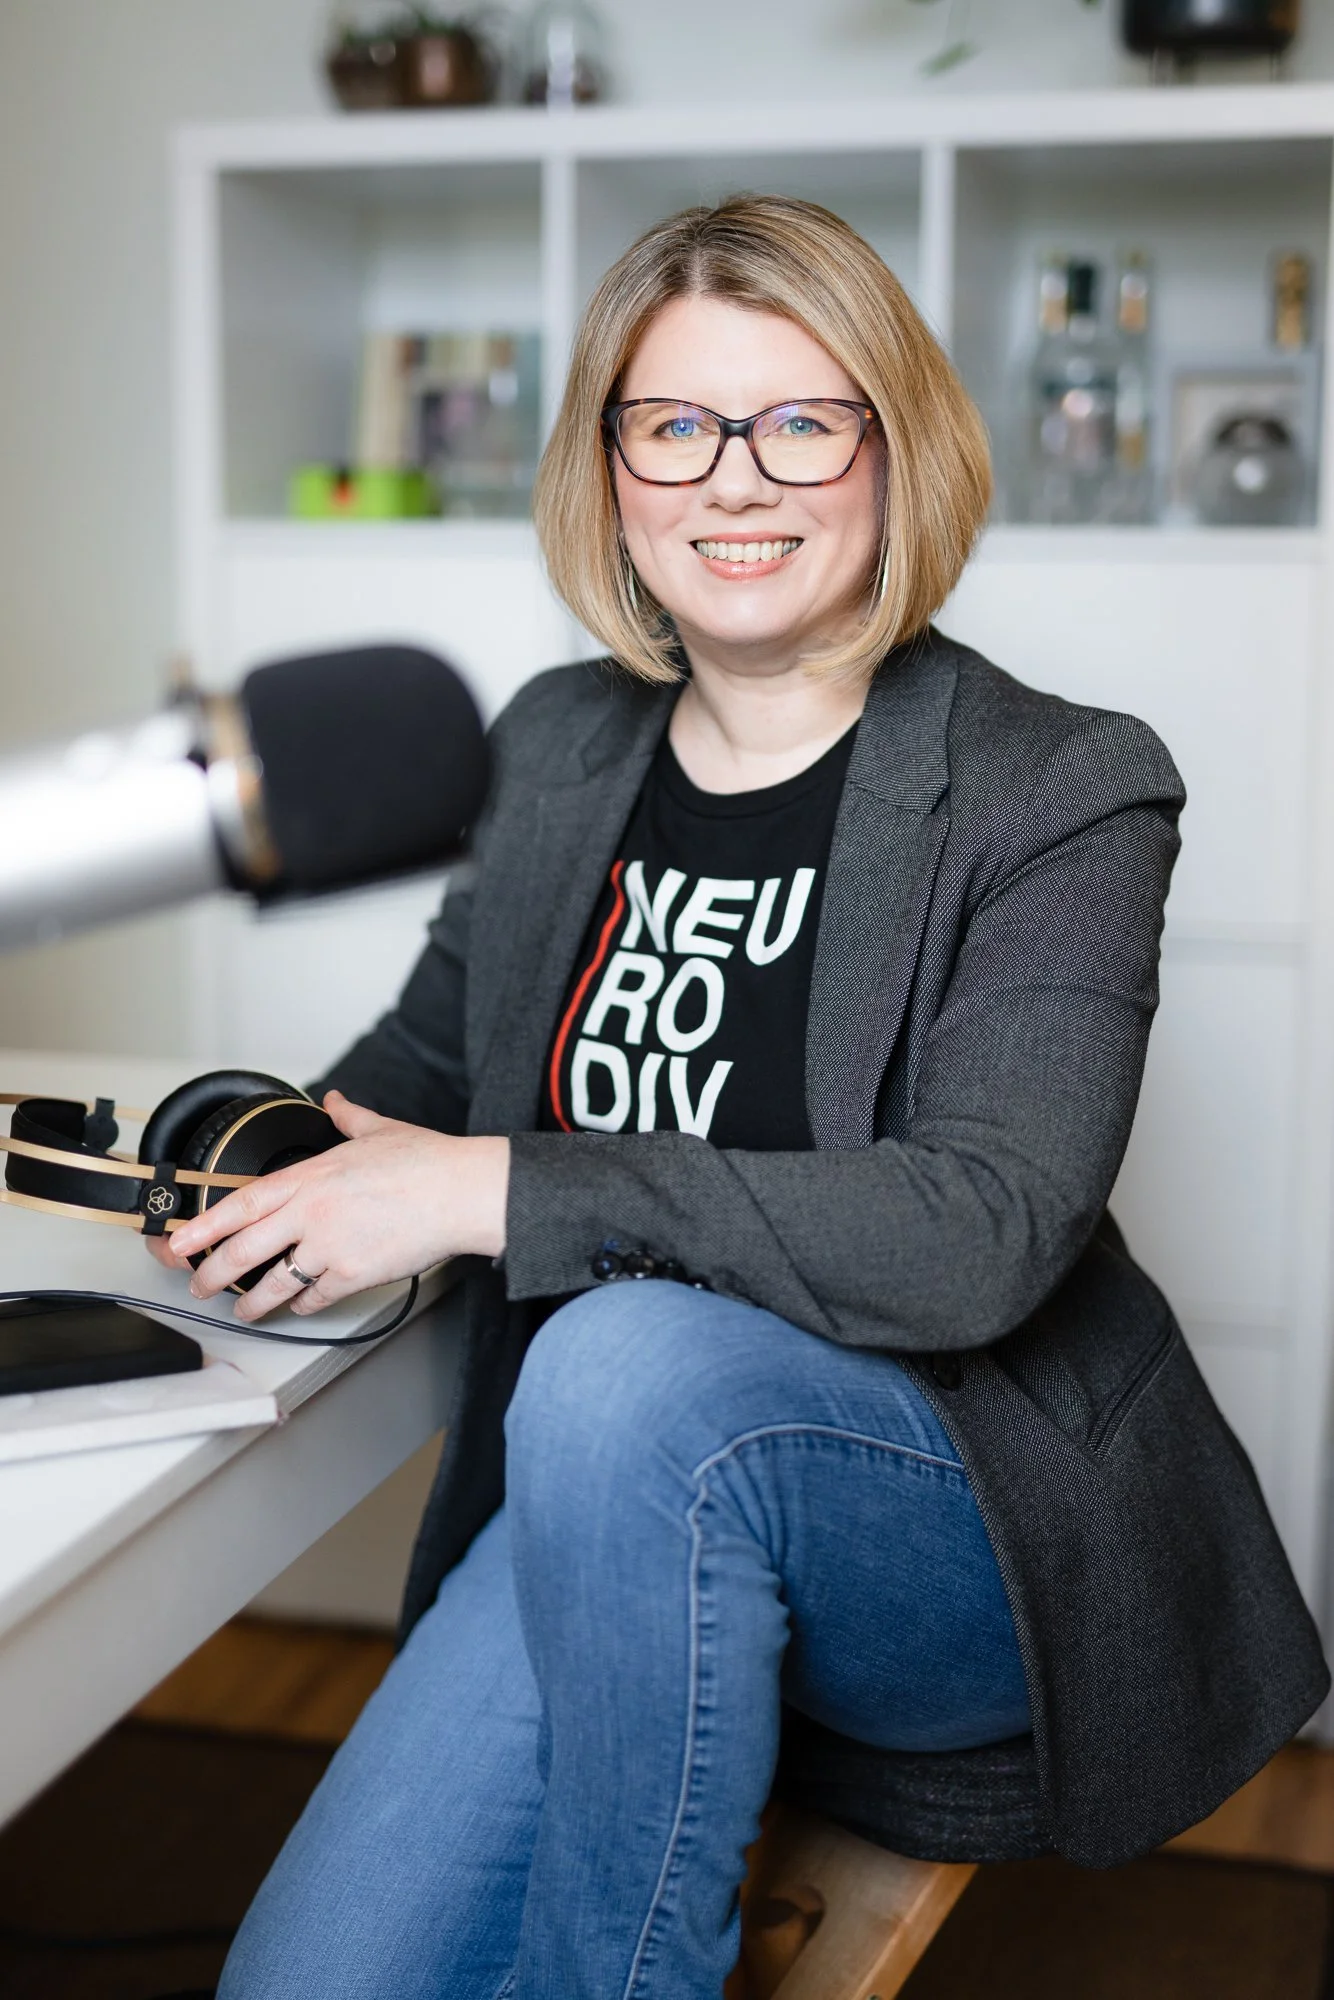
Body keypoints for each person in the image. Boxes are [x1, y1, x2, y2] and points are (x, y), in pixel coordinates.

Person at [169, 196, 1326, 1999]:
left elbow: (981, 1234)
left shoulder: (1061, 787)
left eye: (801, 420)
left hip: (955, 1522)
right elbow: (412, 1087)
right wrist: (218, 1165)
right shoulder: (556, 744)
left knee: (626, 1362)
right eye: (675, 425)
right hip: (600, 1495)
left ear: (894, 447)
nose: (735, 479)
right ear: (611, 469)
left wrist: (501, 1192)